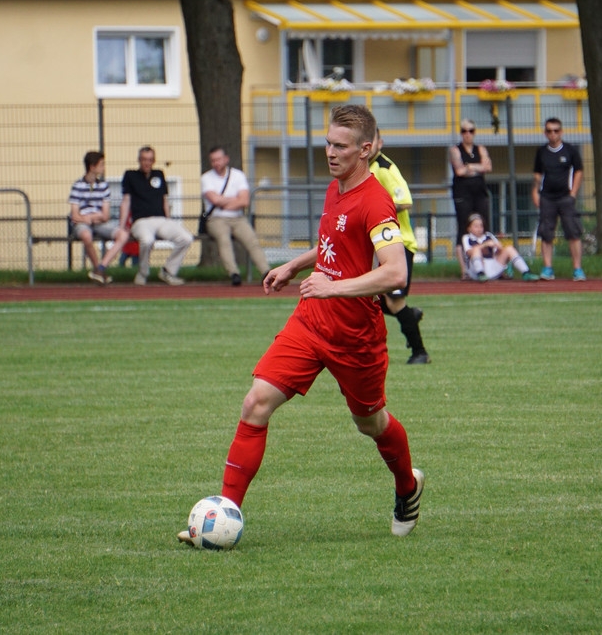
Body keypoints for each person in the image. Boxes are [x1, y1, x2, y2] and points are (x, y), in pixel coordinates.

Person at [178, 105, 424, 544]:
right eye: (328, 143)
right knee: (256, 402)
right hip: (310, 322)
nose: (330, 152)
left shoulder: (375, 201)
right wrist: (295, 265)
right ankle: (222, 517)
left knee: (371, 423)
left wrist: (333, 287)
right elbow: (333, 243)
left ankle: (407, 486)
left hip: (355, 335)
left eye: (340, 146)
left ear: (365, 150)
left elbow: (394, 272)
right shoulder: (335, 188)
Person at [369, 129, 431, 365]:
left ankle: (420, 352)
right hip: (383, 244)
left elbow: (405, 201)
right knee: (373, 298)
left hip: (400, 243)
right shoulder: (368, 168)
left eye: (372, 140)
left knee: (394, 301)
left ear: (380, 143)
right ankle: (409, 316)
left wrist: (374, 211)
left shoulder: (384, 168)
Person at [118, 146, 195, 286]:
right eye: (144, 159)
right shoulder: (130, 175)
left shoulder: (159, 174)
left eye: (150, 160)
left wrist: (169, 220)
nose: (147, 163)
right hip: (141, 221)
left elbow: (165, 200)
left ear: (153, 161)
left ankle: (168, 271)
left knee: (186, 238)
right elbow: (126, 201)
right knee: (147, 240)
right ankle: (143, 273)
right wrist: (122, 226)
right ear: (139, 160)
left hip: (161, 220)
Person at [201, 146, 271, 286]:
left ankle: (266, 272)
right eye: (213, 160)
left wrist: (225, 202)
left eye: (219, 159)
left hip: (238, 218)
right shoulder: (206, 178)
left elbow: (244, 201)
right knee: (224, 240)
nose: (216, 163)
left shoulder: (238, 175)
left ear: (226, 159)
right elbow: (214, 200)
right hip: (216, 218)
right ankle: (234, 273)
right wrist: (234, 200)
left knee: (252, 240)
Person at [532, 117, 586, 281]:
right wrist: (535, 192)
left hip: (565, 198)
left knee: (573, 233)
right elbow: (537, 174)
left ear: (561, 132)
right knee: (546, 234)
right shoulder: (541, 152)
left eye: (556, 131)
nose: (553, 134)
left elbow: (579, 171)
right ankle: (548, 268)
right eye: (549, 131)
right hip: (547, 198)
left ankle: (577, 269)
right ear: (545, 133)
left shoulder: (570, 150)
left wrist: (573, 193)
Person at [67, 150, 127, 285]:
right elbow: (75, 215)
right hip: (83, 223)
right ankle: (98, 270)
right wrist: (87, 219)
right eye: (101, 164)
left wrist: (89, 217)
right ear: (92, 167)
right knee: (86, 236)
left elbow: (105, 215)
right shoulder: (77, 186)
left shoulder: (103, 186)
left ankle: (101, 268)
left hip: (98, 222)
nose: (103, 167)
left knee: (123, 235)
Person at [450, 119, 493, 280]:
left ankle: (487, 266)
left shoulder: (481, 149)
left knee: (484, 228)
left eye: (471, 131)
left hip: (480, 193)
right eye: (464, 131)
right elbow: (459, 171)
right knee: (463, 229)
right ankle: (464, 270)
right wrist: (478, 167)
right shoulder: (455, 150)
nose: (467, 134)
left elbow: (488, 167)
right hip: (462, 194)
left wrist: (470, 166)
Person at [460, 213, 540, 282]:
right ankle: (480, 274)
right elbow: (469, 252)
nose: (479, 229)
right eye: (476, 226)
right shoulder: (467, 238)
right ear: (469, 228)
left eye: (481, 226)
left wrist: (498, 247)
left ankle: (526, 272)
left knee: (509, 248)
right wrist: (485, 245)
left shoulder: (489, 236)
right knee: (476, 250)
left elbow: (499, 250)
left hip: (491, 266)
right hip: (475, 270)